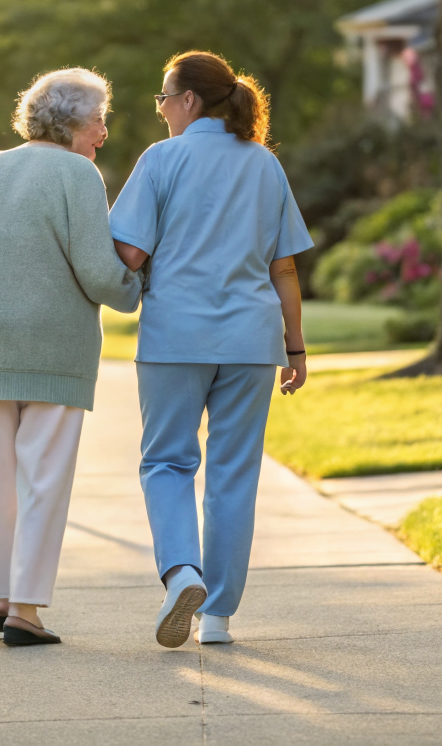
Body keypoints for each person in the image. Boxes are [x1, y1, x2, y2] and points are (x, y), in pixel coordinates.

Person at [110, 50, 312, 648]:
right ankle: (218, 617)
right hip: (253, 342)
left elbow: (129, 255)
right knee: (233, 473)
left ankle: (182, 575)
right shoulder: (265, 167)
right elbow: (287, 270)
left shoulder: (161, 161)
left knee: (167, 462)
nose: (161, 109)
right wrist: (294, 351)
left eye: (164, 97)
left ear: (189, 100)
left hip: (177, 338)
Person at [0, 68, 142, 647]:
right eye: (99, 118)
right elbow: (99, 271)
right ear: (73, 121)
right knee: (43, 476)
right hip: (53, 343)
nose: (104, 131)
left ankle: (4, 597)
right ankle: (26, 611)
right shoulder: (79, 173)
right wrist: (137, 288)